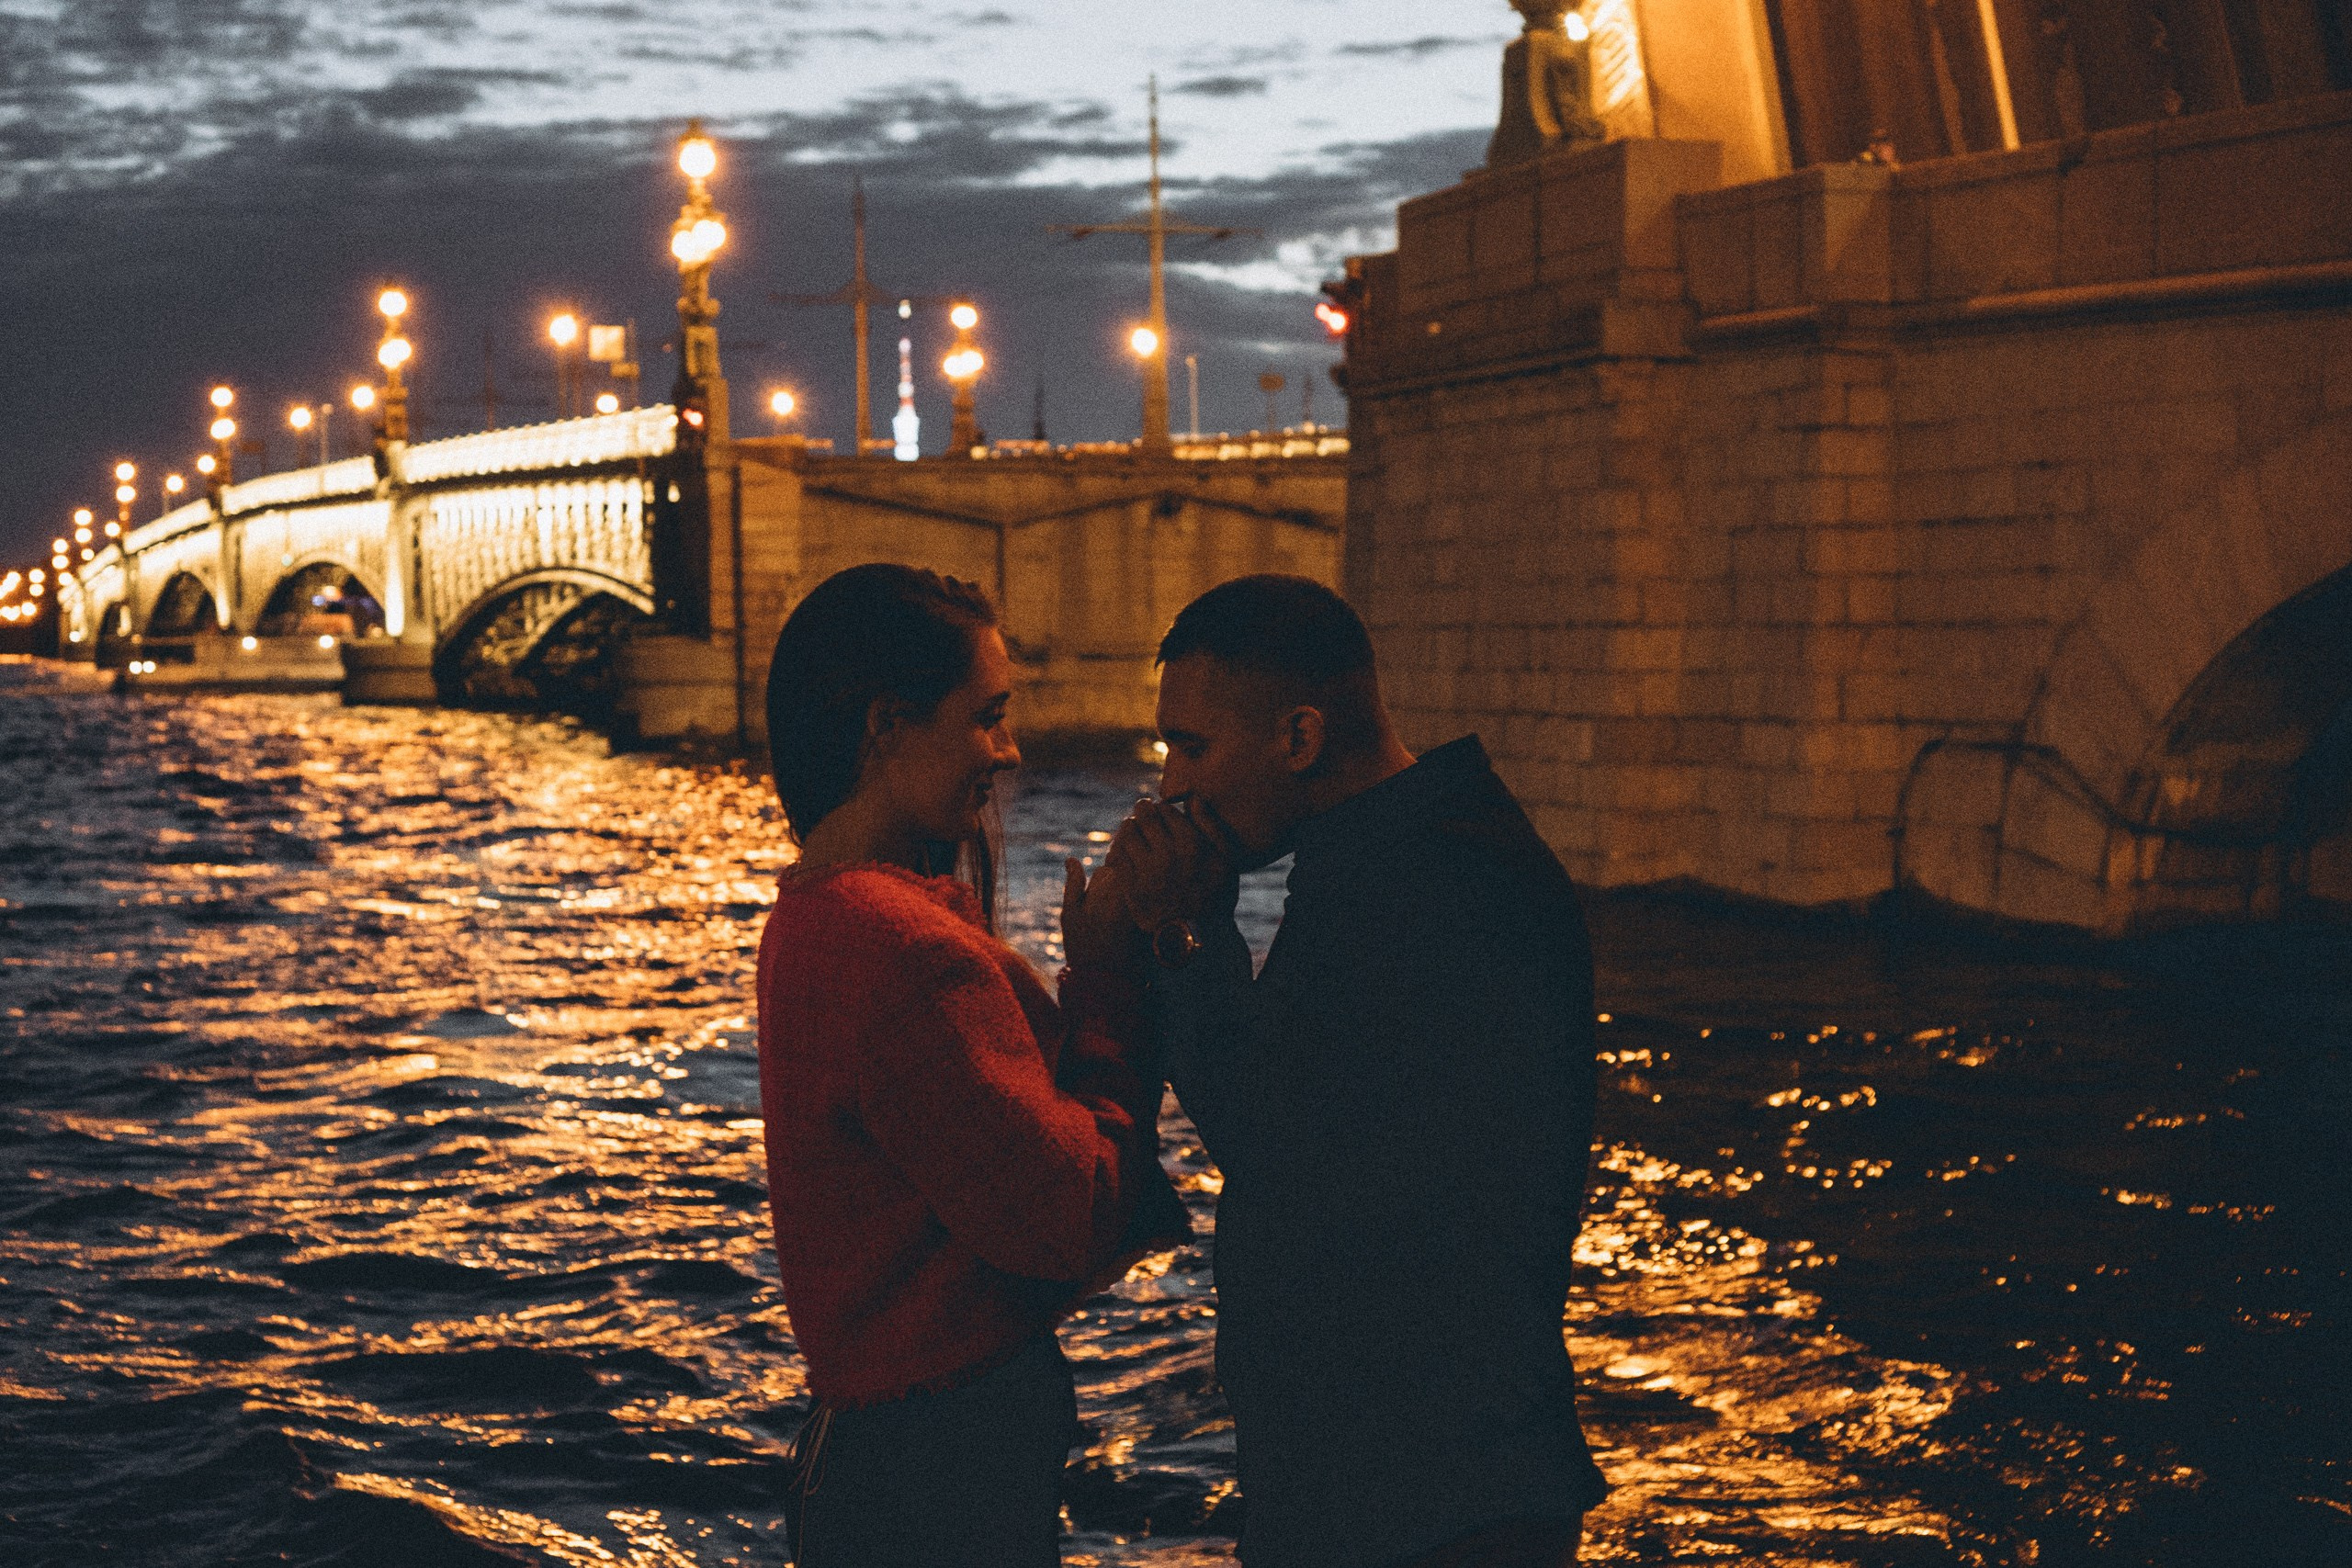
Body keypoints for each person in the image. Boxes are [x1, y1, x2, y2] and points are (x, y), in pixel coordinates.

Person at [1109, 574, 1608, 1567]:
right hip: (1398, 1481)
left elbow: (1280, 1145)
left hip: (1429, 1497)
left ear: (1300, 737)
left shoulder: (1435, 892)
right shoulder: (1401, 859)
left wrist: (1178, 931)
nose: (1171, 784)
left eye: (1193, 747)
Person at [754, 563, 1189, 1567]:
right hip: (942, 1465)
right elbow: (1067, 1213)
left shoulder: (812, 914)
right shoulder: (902, 946)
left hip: (867, 1449)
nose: (1010, 749)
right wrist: (1111, 983)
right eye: (987, 716)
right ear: (886, 726)